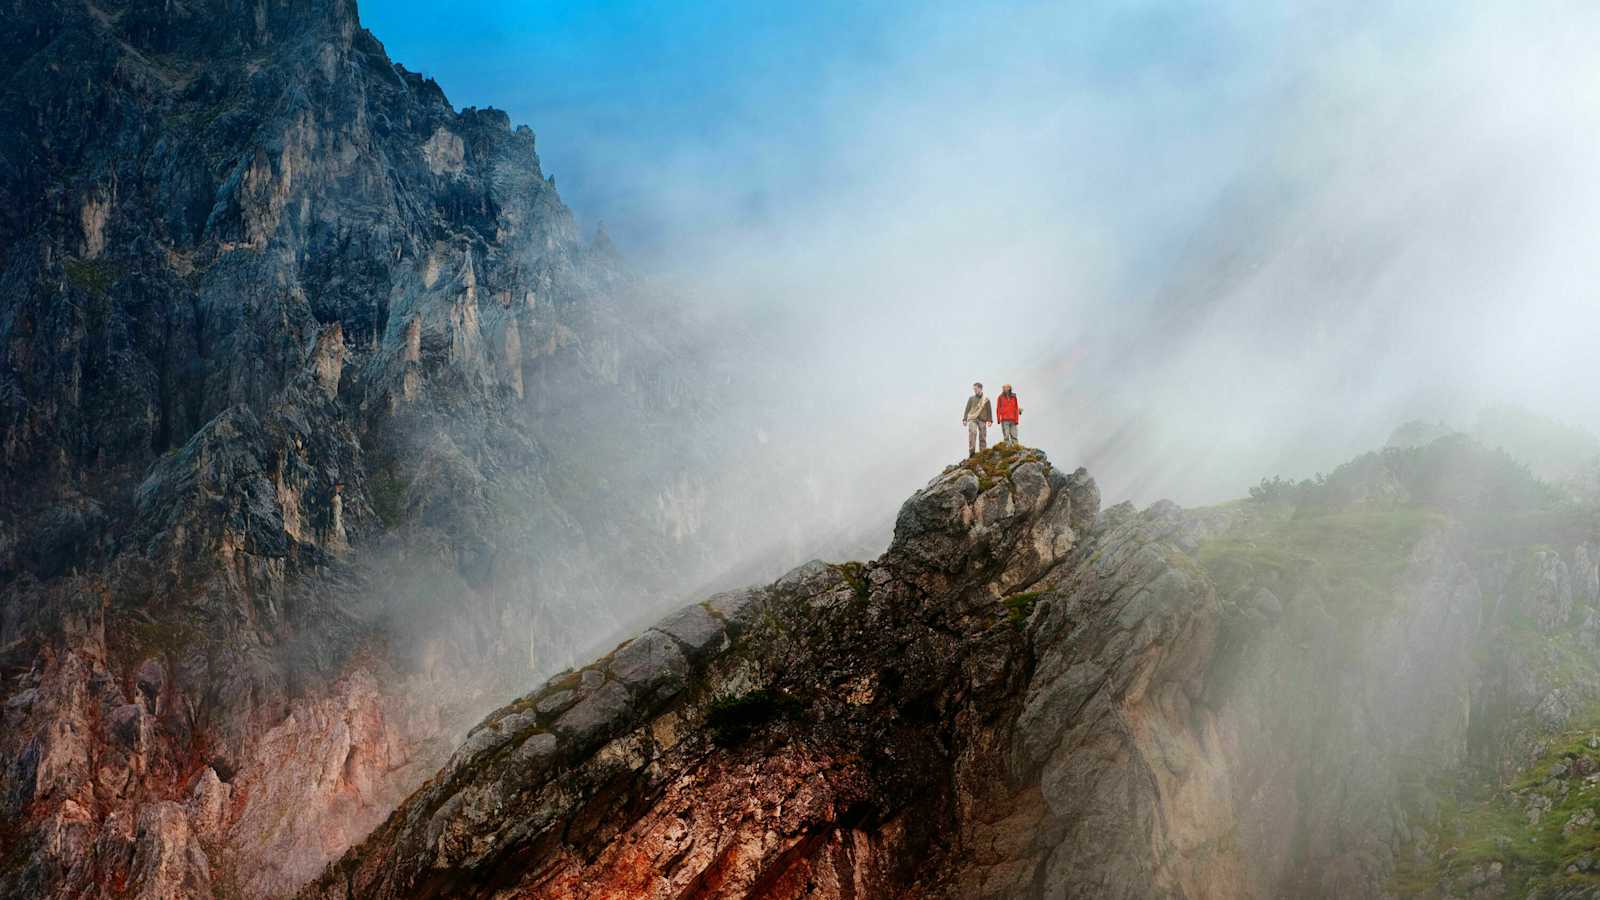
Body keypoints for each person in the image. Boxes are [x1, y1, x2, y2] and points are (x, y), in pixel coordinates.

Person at [962, 382, 993, 456]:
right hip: (972, 419)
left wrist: (990, 420)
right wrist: (964, 419)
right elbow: (967, 409)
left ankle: (983, 453)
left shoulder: (986, 399)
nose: (974, 390)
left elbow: (989, 410)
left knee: (983, 436)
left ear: (980, 388)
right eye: (974, 389)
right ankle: (972, 453)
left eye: (975, 389)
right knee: (973, 433)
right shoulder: (971, 398)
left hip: (982, 419)